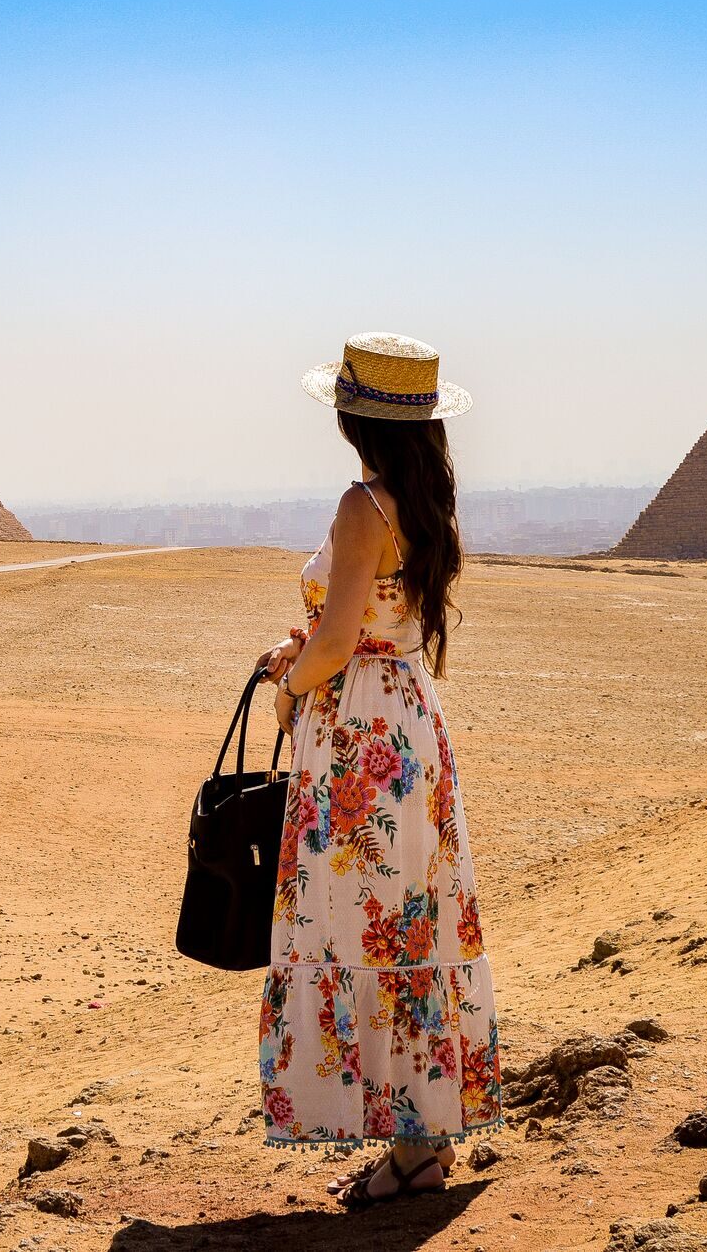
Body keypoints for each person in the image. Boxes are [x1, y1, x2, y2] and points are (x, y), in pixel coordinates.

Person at [253, 332, 503, 1209]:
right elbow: (377, 623)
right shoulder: (426, 502)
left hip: (360, 738)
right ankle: (419, 1142)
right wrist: (315, 649)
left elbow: (335, 640)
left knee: (361, 927)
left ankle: (409, 1150)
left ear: (353, 417)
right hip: (410, 725)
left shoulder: (364, 506)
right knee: (411, 924)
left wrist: (291, 680)